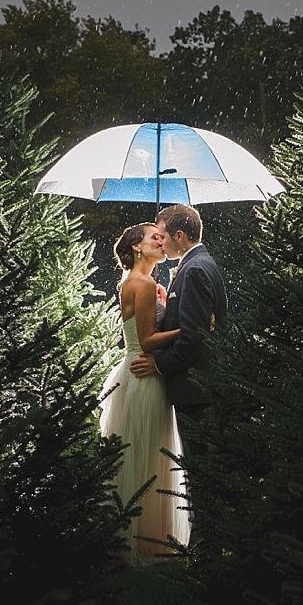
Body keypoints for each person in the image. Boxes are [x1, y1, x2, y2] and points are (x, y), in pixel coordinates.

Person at [98, 222, 190, 565]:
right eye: (154, 238)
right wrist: (187, 329)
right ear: (138, 246)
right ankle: (151, 545)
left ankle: (127, 537)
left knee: (136, 454)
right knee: (152, 455)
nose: (162, 242)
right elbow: (149, 341)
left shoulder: (134, 282)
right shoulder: (145, 283)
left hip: (129, 371)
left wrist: (161, 304)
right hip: (145, 374)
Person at [130, 204, 227, 458]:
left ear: (180, 236)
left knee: (201, 469)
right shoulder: (201, 263)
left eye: (162, 236)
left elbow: (193, 336)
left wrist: (159, 364)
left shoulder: (194, 269)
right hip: (199, 388)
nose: (161, 243)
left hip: (195, 391)